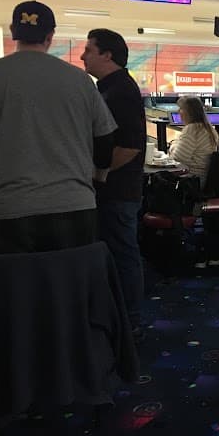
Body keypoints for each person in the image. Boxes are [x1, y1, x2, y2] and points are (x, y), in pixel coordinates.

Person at [0, 0, 116, 253]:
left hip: (6, 210)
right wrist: (97, 178)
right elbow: (105, 140)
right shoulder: (80, 79)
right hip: (74, 207)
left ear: (13, 31)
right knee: (68, 288)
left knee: (14, 290)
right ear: (51, 35)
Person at [81, 28, 146, 331]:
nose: (83, 55)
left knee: (123, 255)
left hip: (119, 192)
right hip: (114, 192)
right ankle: (119, 315)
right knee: (116, 254)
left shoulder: (121, 90)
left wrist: (98, 175)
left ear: (107, 55)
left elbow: (129, 147)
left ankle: (131, 321)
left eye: (89, 50)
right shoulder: (108, 87)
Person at [168, 96, 218, 182]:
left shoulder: (192, 129)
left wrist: (172, 145)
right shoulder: (209, 128)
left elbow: (177, 159)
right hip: (202, 178)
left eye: (181, 109)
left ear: (189, 112)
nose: (178, 112)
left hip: (191, 180)